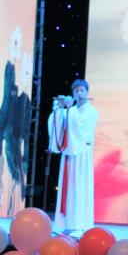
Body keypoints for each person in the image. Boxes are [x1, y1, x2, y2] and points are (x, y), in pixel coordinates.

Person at [48, 79, 98, 234]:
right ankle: (68, 223)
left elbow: (80, 127)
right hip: (69, 154)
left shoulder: (92, 112)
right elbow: (57, 124)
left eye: (82, 90)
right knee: (69, 189)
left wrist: (69, 109)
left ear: (87, 92)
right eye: (76, 91)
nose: (79, 93)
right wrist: (60, 108)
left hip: (82, 154)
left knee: (79, 189)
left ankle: (80, 224)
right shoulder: (70, 110)